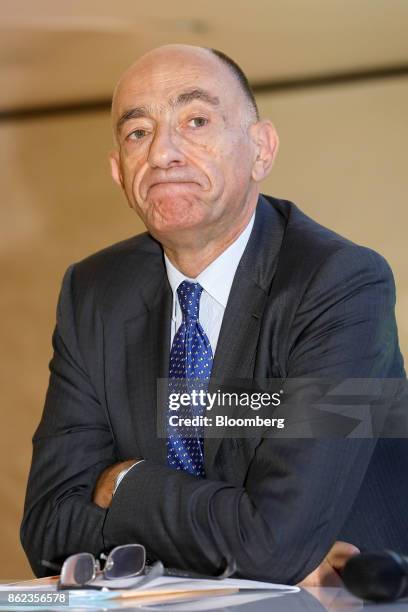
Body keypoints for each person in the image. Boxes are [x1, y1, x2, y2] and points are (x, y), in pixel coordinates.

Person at [21, 44, 406, 586]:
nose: (162, 153)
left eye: (195, 120)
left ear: (261, 150)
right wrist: (239, 542)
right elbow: (48, 531)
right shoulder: (94, 293)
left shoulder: (344, 284)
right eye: (138, 133)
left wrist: (126, 480)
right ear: (118, 170)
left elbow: (274, 546)